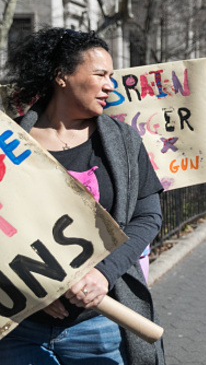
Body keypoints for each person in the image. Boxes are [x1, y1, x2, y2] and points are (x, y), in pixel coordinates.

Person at [0, 27, 165, 364]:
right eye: (100, 74)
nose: (110, 85)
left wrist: (103, 273)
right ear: (62, 76)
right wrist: (32, 290)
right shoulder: (9, 141)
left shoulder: (122, 142)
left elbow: (148, 216)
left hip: (97, 327)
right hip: (20, 330)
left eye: (112, 76)